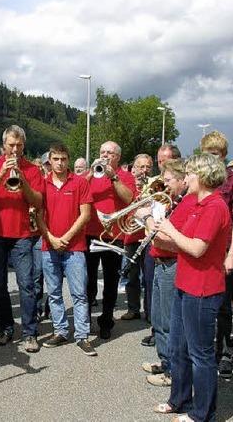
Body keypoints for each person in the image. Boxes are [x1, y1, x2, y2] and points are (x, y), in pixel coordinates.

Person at [153, 153, 231, 422]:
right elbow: (178, 244)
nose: (185, 178)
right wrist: (155, 228)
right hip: (185, 284)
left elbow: (197, 248)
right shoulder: (197, 203)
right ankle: (179, 399)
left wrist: (168, 230)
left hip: (203, 289)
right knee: (178, 348)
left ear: (204, 176)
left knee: (201, 355)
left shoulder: (215, 206)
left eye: (190, 174)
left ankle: (202, 414)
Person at [0, 125, 44, 352]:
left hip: (22, 235)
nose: (15, 149)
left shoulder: (33, 169)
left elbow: (37, 201)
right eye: (11, 145)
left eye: (19, 145)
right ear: (4, 145)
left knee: (26, 284)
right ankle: (5, 328)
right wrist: (1, 174)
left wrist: (22, 178)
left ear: (23, 145)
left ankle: (29, 332)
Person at [36, 143, 95, 356]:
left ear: (68, 160)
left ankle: (82, 335)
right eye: (56, 159)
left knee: (79, 294)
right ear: (49, 161)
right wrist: (51, 238)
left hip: (75, 248)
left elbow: (86, 214)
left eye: (63, 159)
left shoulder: (79, 182)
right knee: (53, 293)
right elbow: (38, 215)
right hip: (49, 246)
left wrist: (66, 238)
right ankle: (60, 330)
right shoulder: (42, 184)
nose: (60, 163)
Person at [138, 159, 190, 388]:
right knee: (158, 318)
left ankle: (172, 371)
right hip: (160, 263)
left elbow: (171, 241)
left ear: (181, 180)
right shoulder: (172, 203)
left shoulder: (186, 204)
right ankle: (164, 360)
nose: (164, 185)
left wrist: (146, 218)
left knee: (169, 321)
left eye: (168, 181)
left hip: (171, 264)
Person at [200, 131, 233, 379]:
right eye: (207, 154)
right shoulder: (200, 179)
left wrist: (232, 253)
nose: (212, 158)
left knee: (223, 306)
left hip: (224, 250)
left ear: (224, 155)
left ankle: (225, 351)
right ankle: (205, 350)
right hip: (201, 249)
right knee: (203, 304)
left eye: (216, 154)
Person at [84, 141, 136, 339]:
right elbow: (80, 190)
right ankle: (85, 319)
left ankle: (106, 320)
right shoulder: (93, 174)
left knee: (111, 282)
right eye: (102, 152)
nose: (105, 156)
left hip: (114, 236)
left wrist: (113, 177)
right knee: (87, 281)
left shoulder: (124, 176)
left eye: (110, 153)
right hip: (90, 233)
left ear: (118, 157)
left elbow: (129, 198)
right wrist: (91, 172)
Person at [122, 153, 153, 321]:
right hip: (131, 236)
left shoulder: (155, 186)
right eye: (141, 167)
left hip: (149, 237)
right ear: (133, 169)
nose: (144, 170)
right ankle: (133, 308)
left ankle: (149, 311)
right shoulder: (127, 185)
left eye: (148, 167)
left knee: (149, 277)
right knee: (132, 276)